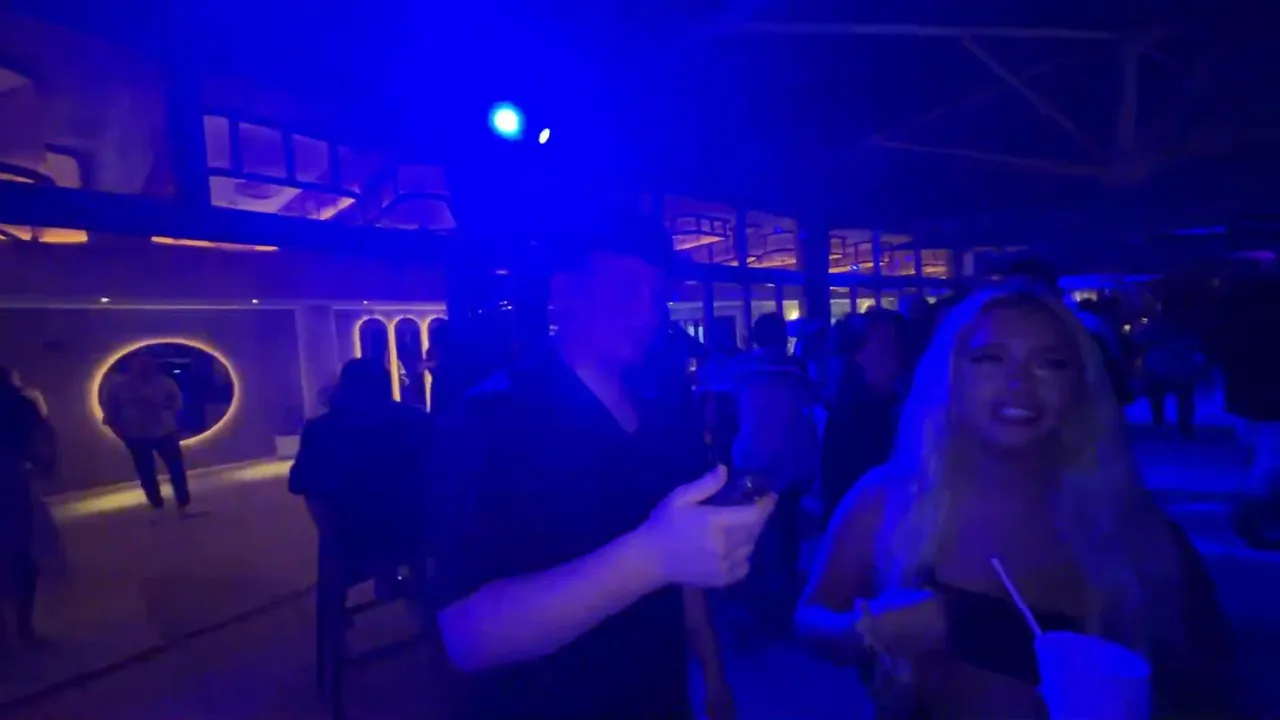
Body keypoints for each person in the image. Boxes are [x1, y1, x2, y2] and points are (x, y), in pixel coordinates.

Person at [796, 287, 1233, 718]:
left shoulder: (1133, 522)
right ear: (951, 375)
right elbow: (812, 616)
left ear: (1080, 384)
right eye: (991, 359)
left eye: (1050, 364)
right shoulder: (887, 497)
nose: (1020, 384)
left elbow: (1206, 676)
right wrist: (869, 629)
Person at [432, 210, 776, 720]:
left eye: (656, 295)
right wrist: (648, 558)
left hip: (660, 697)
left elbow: (682, 562)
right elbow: (465, 637)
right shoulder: (490, 417)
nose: (647, 312)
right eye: (625, 289)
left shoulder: (666, 412)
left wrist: (714, 676)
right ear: (564, 292)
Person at [289, 358, 433, 602]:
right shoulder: (414, 421)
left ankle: (341, 602)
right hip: (412, 529)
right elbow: (437, 473)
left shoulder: (321, 430)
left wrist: (331, 535)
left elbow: (307, 486)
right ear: (385, 386)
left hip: (349, 534)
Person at [730, 311, 821, 640]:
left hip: (752, 462)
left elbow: (727, 412)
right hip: (791, 463)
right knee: (786, 535)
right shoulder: (796, 371)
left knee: (754, 536)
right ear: (782, 337)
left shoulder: (740, 369)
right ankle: (785, 611)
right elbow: (812, 406)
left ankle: (759, 611)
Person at [820, 309, 906, 524]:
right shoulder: (855, 415)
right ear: (859, 355)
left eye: (894, 345)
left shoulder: (889, 405)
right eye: (884, 347)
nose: (894, 357)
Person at [0, 369, 54, 650]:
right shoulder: (21, 403)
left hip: (11, 480)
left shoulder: (21, 403)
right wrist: (43, 468)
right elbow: (41, 439)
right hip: (12, 481)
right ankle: (24, 626)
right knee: (21, 555)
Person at [100, 353, 192, 514]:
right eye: (140, 364)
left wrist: (159, 406)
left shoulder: (165, 383)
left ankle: (182, 501)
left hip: (164, 431)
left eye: (147, 364)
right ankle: (157, 503)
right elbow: (111, 412)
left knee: (175, 469)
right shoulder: (119, 387)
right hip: (137, 434)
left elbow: (175, 404)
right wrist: (121, 432)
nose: (145, 367)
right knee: (147, 471)